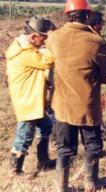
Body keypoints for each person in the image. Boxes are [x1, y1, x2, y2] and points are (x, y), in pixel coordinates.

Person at [46, 0, 106, 191]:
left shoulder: (54, 37)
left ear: (68, 15)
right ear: (88, 15)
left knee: (64, 149)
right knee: (93, 146)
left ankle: (61, 186)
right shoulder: (94, 41)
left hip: (61, 105)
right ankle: (91, 183)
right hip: (86, 107)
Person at [6, 16, 56, 175]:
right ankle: (15, 170)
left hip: (33, 100)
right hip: (27, 102)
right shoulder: (24, 52)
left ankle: (44, 161)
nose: (45, 41)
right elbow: (48, 60)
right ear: (34, 37)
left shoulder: (26, 47)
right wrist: (50, 44)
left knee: (46, 126)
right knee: (24, 136)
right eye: (44, 38)